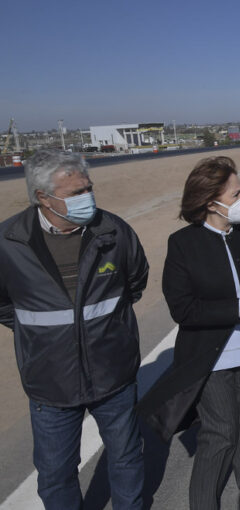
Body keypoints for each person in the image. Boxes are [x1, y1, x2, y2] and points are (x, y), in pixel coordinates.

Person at [137, 156, 240, 510]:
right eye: (236, 195)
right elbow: (183, 310)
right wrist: (238, 306)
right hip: (212, 361)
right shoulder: (183, 244)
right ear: (211, 202)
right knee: (219, 437)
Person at [0, 150, 148, 509]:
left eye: (88, 188)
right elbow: (6, 305)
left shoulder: (112, 231)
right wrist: (43, 341)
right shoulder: (8, 243)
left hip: (113, 374)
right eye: (75, 193)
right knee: (55, 473)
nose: (87, 198)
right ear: (42, 198)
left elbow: (135, 282)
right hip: (50, 383)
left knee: (127, 459)